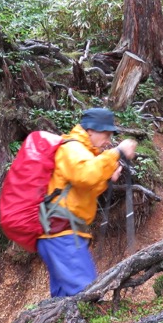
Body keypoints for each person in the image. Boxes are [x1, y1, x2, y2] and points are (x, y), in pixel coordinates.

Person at [37, 108, 137, 297]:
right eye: (106, 133)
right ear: (91, 130)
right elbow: (85, 175)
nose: (108, 140)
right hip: (63, 235)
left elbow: (83, 189)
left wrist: (108, 178)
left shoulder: (83, 153)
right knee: (85, 295)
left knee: (63, 302)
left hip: (60, 234)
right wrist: (117, 152)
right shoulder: (72, 148)